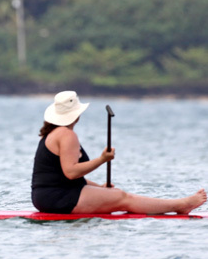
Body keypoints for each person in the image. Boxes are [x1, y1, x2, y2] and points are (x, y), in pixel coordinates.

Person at [31, 91, 206, 215]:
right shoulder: (67, 135)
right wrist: (102, 159)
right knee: (123, 198)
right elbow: (71, 173)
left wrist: (98, 188)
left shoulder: (51, 134)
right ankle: (181, 205)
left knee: (117, 194)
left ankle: (178, 205)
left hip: (45, 197)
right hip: (58, 198)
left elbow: (62, 175)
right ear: (77, 115)